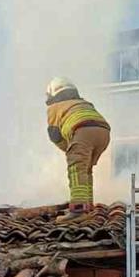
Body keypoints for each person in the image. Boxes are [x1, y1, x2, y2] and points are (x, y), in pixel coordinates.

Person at [45, 77, 111, 223]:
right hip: (104, 132)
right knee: (86, 169)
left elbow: (54, 135)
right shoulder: (83, 102)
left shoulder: (54, 107)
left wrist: (69, 150)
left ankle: (78, 211)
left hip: (82, 130)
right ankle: (88, 206)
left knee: (76, 168)